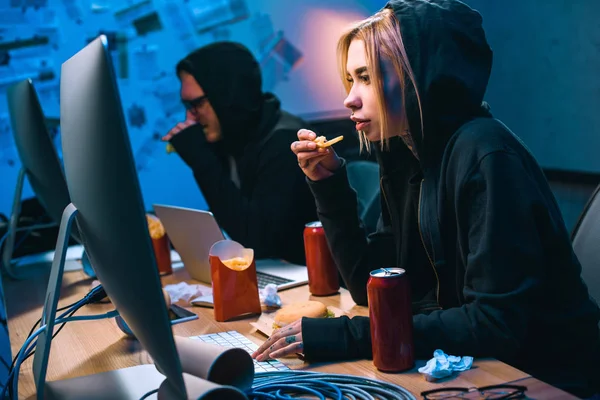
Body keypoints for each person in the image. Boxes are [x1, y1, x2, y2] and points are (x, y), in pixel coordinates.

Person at [252, 1, 600, 397]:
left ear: (418, 75)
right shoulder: (406, 151)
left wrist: (347, 335)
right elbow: (374, 281)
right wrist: (328, 184)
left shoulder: (485, 155)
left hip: (543, 374)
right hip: (471, 364)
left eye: (365, 77)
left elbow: (494, 323)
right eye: (350, 80)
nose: (350, 98)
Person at [162, 42, 317, 265]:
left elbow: (258, 241)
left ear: (227, 95)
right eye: (187, 105)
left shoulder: (286, 142)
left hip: (304, 277)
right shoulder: (233, 138)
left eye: (197, 103)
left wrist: (202, 160)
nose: (191, 116)